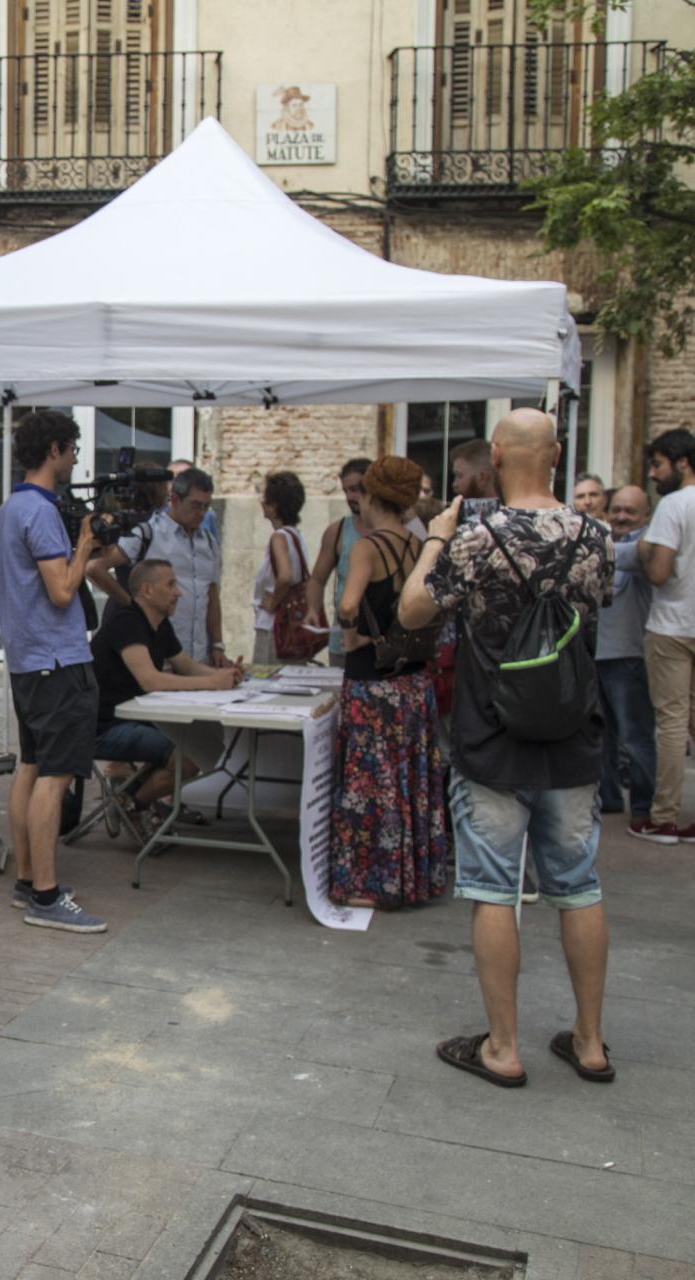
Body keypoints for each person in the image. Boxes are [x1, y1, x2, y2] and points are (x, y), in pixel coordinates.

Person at [400, 408, 614, 1089]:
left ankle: (503, 1046)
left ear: (494, 458)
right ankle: (590, 1043)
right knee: (578, 887)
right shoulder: (596, 535)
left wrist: (436, 539)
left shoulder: (476, 537)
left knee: (494, 891)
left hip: (493, 735)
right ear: (557, 455)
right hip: (572, 734)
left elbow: (412, 610)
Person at [0, 410, 106, 933]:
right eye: (74, 449)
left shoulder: (11, 506)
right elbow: (62, 591)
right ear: (55, 449)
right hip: (56, 661)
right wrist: (84, 543)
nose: (76, 460)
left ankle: (27, 880)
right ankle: (45, 896)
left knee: (32, 767)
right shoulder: (40, 511)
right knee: (55, 777)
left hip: (27, 661)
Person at [329, 457, 448, 908]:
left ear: (370, 495)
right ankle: (410, 878)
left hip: (371, 683)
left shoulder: (367, 547)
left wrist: (353, 633)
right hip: (413, 682)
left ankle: (371, 883)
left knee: (370, 785)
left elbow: (347, 604)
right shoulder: (418, 544)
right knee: (407, 782)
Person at [91, 558, 241, 813]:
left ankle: (125, 797)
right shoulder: (126, 621)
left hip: (135, 719)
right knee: (190, 759)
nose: (178, 592)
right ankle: (131, 806)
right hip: (104, 726)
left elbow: (187, 666)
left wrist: (225, 675)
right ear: (147, 590)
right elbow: (150, 680)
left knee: (204, 745)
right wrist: (212, 682)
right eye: (171, 585)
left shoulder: (159, 624)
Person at [86, 467, 225, 666]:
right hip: (156, 654)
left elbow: (211, 596)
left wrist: (217, 645)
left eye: (206, 506)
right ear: (175, 499)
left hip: (198, 655)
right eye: (195, 505)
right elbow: (94, 568)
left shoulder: (209, 543)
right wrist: (132, 606)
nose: (201, 513)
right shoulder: (149, 533)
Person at [637, 427, 695, 840]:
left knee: (671, 723)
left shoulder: (674, 505)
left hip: (673, 625)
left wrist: (643, 551)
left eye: (658, 465)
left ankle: (663, 817)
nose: (653, 474)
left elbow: (658, 573)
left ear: (682, 462)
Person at [597, 484, 658, 835]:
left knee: (636, 736)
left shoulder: (648, 544)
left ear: (646, 515)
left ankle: (643, 805)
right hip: (596, 654)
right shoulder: (605, 539)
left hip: (630, 656)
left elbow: (632, 556)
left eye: (630, 511)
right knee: (601, 735)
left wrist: (588, 545)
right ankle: (608, 797)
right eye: (617, 509)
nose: (621, 516)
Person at [306, 458, 371, 667]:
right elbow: (317, 579)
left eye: (356, 489)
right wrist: (313, 610)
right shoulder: (338, 531)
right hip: (343, 643)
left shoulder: (393, 530)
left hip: (382, 643)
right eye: (346, 491)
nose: (350, 497)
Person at [252, 470, 311, 663]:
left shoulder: (279, 537)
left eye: (266, 500)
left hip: (276, 626)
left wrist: (272, 603)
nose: (262, 504)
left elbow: (285, 576)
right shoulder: (296, 536)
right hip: (293, 626)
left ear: (275, 507)